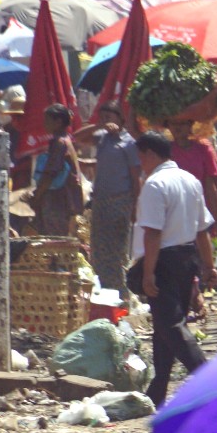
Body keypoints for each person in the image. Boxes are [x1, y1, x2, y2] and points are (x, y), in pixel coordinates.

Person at [135, 130, 215, 406]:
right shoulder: (191, 180)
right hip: (187, 257)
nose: (140, 163)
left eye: (141, 156)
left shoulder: (155, 185)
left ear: (150, 154)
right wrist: (208, 265)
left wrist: (148, 272)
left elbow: (153, 234)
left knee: (171, 325)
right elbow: (203, 230)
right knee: (162, 327)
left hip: (164, 261)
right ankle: (158, 388)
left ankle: (209, 378)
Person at [76, 102, 140, 294]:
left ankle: (122, 292)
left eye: (109, 117)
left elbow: (135, 177)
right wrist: (98, 126)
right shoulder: (102, 138)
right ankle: (106, 291)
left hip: (120, 201)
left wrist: (135, 206)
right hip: (100, 201)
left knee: (117, 250)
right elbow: (77, 138)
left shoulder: (128, 142)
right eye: (102, 117)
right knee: (99, 249)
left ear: (120, 119)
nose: (106, 121)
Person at [166, 117, 217, 238]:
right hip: (175, 214)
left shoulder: (203, 149)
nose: (177, 127)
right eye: (173, 123)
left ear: (190, 125)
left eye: (182, 123)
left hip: (201, 213)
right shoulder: (165, 151)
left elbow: (211, 187)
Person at [33, 102, 84, 238]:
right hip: (67, 199)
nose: (44, 124)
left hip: (58, 200)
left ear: (58, 122)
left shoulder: (59, 143)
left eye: (47, 121)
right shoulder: (67, 141)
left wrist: (37, 195)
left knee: (55, 240)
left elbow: (50, 173)